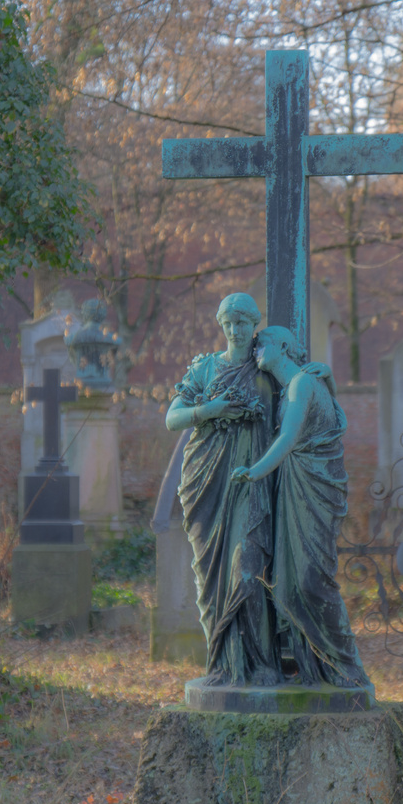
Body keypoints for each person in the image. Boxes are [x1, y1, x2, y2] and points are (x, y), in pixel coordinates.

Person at [230, 326, 370, 689]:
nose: (256, 347)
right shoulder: (305, 384)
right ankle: (315, 671)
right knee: (291, 586)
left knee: (311, 581)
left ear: (283, 347)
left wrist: (254, 471)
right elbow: (334, 417)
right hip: (297, 488)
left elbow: (289, 439)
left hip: (313, 490)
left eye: (263, 342)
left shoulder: (301, 386)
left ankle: (348, 667)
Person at [166, 293, 280, 686]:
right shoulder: (205, 368)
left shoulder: (269, 368)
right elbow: (172, 419)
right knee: (210, 577)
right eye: (228, 323)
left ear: (254, 325)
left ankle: (262, 664)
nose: (235, 331)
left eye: (242, 323)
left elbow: (301, 397)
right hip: (205, 480)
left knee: (247, 571)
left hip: (251, 480)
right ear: (221, 325)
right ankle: (222, 664)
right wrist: (209, 410)